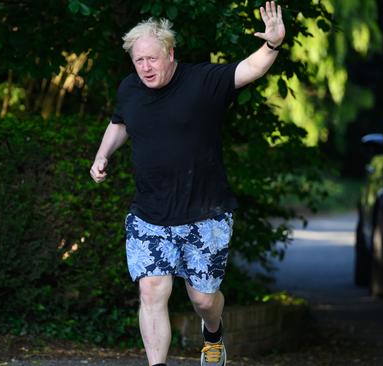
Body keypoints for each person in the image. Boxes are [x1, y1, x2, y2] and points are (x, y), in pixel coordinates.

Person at [90, 2, 285, 365]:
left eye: (152, 59)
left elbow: (248, 70)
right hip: (149, 213)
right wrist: (103, 155)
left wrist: (271, 45)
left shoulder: (202, 81)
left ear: (170, 52)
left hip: (204, 213)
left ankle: (212, 334)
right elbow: (120, 123)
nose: (145, 67)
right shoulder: (130, 88)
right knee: (151, 291)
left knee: (203, 299)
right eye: (138, 61)